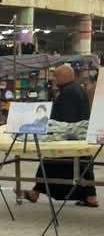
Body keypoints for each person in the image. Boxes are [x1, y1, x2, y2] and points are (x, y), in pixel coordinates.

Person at [26, 64, 97, 207]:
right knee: (79, 166)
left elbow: (67, 120)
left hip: (68, 138)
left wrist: (55, 132)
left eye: (56, 76)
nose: (54, 79)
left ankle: (35, 193)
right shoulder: (74, 89)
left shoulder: (69, 92)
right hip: (76, 137)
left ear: (65, 76)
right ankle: (90, 197)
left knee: (52, 163)